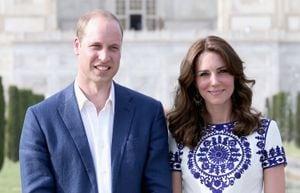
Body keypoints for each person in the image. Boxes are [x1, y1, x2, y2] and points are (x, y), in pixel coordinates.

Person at [19, 9, 171, 193]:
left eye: (113, 47)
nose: (105, 56)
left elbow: (159, 188)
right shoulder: (41, 119)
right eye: (96, 46)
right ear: (77, 45)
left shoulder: (148, 113)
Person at [167, 35, 287, 193]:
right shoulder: (179, 135)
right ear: (193, 82)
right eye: (204, 74)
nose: (214, 81)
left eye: (222, 71)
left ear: (235, 75)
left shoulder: (265, 132)